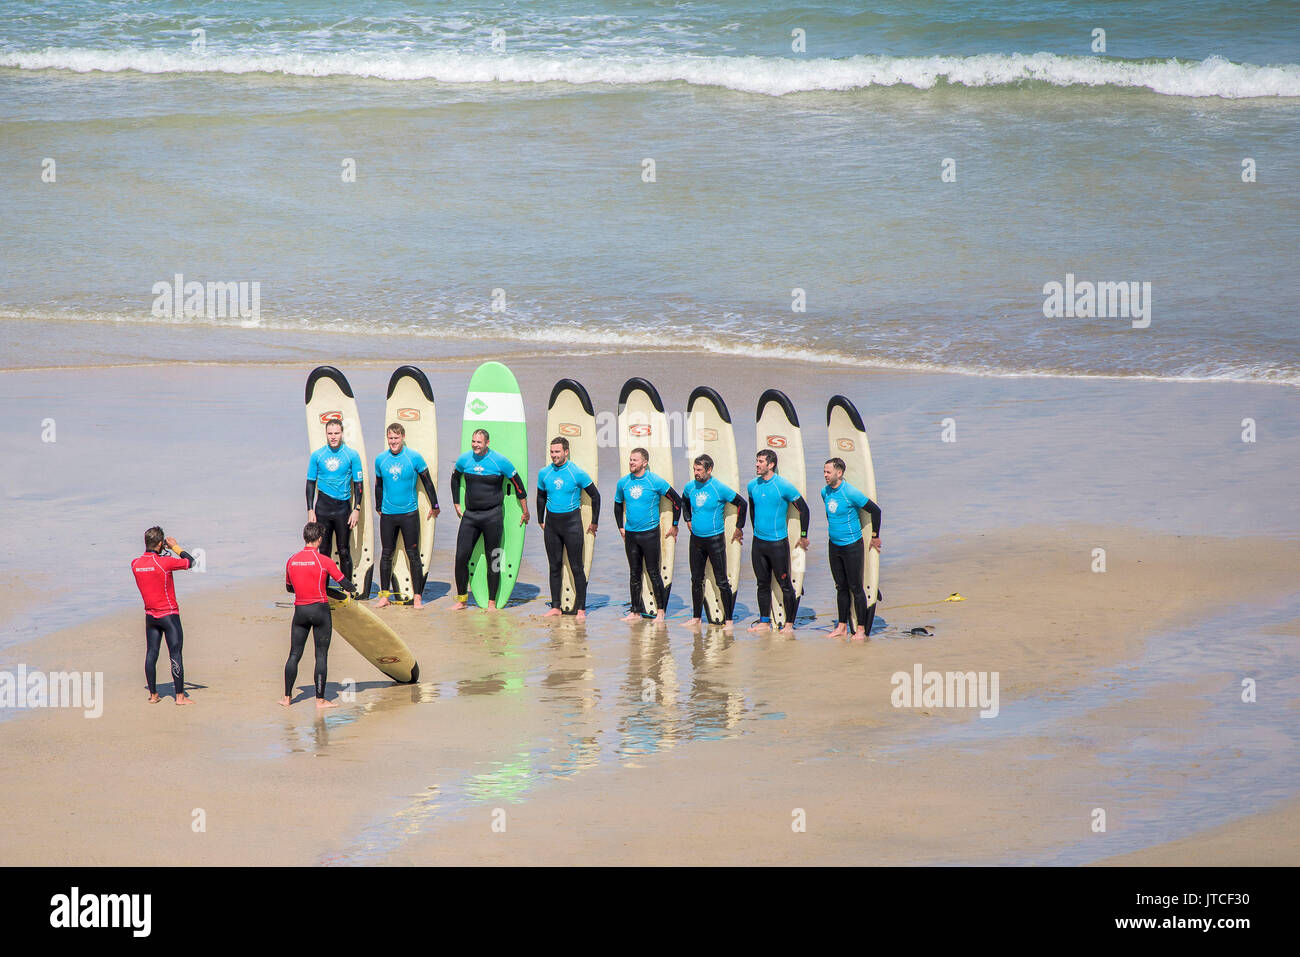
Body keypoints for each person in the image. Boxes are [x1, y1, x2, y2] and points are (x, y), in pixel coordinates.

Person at [450, 428, 529, 610]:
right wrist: (456, 503)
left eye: (479, 442)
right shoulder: (464, 459)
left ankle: (492, 602)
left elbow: (518, 485)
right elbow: (455, 478)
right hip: (470, 516)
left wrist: (525, 510)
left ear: (487, 443)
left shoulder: (500, 461)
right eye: (473, 441)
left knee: (493, 558)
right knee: (461, 556)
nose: (475, 445)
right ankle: (462, 600)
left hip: (492, 516)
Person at [282, 522, 354, 709]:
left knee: (294, 654)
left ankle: (287, 698)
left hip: (300, 612)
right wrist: (351, 591)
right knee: (321, 655)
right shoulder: (324, 560)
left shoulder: (292, 560)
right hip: (320, 611)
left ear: (305, 537)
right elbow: (345, 584)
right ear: (320, 539)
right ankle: (320, 700)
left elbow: (290, 588)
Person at [374, 422, 439, 608]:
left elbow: (427, 482)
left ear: (402, 437)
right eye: (390, 438)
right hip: (388, 515)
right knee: (386, 554)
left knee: (413, 555)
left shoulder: (414, 458)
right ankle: (385, 597)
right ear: (387, 438)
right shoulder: (381, 460)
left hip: (409, 514)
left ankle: (417, 597)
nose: (393, 441)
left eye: (396, 438)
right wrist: (378, 505)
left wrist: (435, 505)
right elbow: (378, 484)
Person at [679, 453, 747, 631]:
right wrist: (687, 518)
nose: (696, 473)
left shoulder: (718, 488)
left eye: (699, 470)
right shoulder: (690, 487)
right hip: (696, 540)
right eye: (694, 469)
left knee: (722, 580)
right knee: (696, 579)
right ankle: (696, 618)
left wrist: (739, 527)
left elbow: (742, 504)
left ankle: (729, 621)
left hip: (715, 540)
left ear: (709, 470)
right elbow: (683, 500)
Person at [129, 526, 196, 705]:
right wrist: (175, 547)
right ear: (160, 544)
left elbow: (149, 565)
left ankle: (153, 695)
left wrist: (160, 551)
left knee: (151, 653)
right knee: (175, 654)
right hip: (169, 615)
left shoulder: (135, 564)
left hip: (150, 617)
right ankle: (180, 697)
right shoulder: (164, 563)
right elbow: (190, 562)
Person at [614, 447, 682, 623]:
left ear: (644, 462)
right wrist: (620, 527)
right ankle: (635, 611)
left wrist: (675, 525)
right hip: (631, 534)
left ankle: (660, 612)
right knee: (634, 573)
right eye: (630, 459)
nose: (631, 462)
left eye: (635, 460)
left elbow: (677, 501)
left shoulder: (655, 482)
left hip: (650, 534)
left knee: (653, 572)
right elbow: (617, 504)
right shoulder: (623, 483)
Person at [746, 449, 810, 635]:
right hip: (758, 543)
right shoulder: (752, 486)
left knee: (785, 584)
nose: (757, 464)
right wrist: (755, 530)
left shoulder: (783, 486)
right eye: (756, 461)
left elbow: (804, 510)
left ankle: (789, 624)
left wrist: (803, 534)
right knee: (762, 584)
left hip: (777, 544)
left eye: (760, 461)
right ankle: (764, 621)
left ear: (771, 464)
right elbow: (752, 508)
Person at [536, 436, 600, 620]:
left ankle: (581, 609)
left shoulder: (576, 473)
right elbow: (540, 496)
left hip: (572, 524)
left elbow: (595, 496)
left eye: (557, 452)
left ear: (566, 452)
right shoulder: (544, 473)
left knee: (576, 567)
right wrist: (541, 519)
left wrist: (594, 522)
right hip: (552, 525)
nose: (554, 455)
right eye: (552, 452)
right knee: (554, 566)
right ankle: (556, 606)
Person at [821, 458, 882, 640]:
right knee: (840, 587)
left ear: (839, 473)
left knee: (856, 588)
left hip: (852, 546)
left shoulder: (850, 493)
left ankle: (861, 629)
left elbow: (876, 511)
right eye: (824, 471)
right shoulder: (825, 492)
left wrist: (874, 536)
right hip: (834, 545)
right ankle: (841, 626)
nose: (825, 475)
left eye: (828, 472)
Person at [305, 418, 364, 585]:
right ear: (326, 434)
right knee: (323, 551)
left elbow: (358, 484)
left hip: (342, 510)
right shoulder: (317, 455)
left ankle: (347, 590)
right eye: (330, 433)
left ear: (342, 433)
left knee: (344, 551)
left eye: (336, 433)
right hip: (322, 509)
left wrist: (356, 509)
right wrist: (310, 509)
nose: (333, 437)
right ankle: (322, 589)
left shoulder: (352, 455)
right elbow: (310, 483)